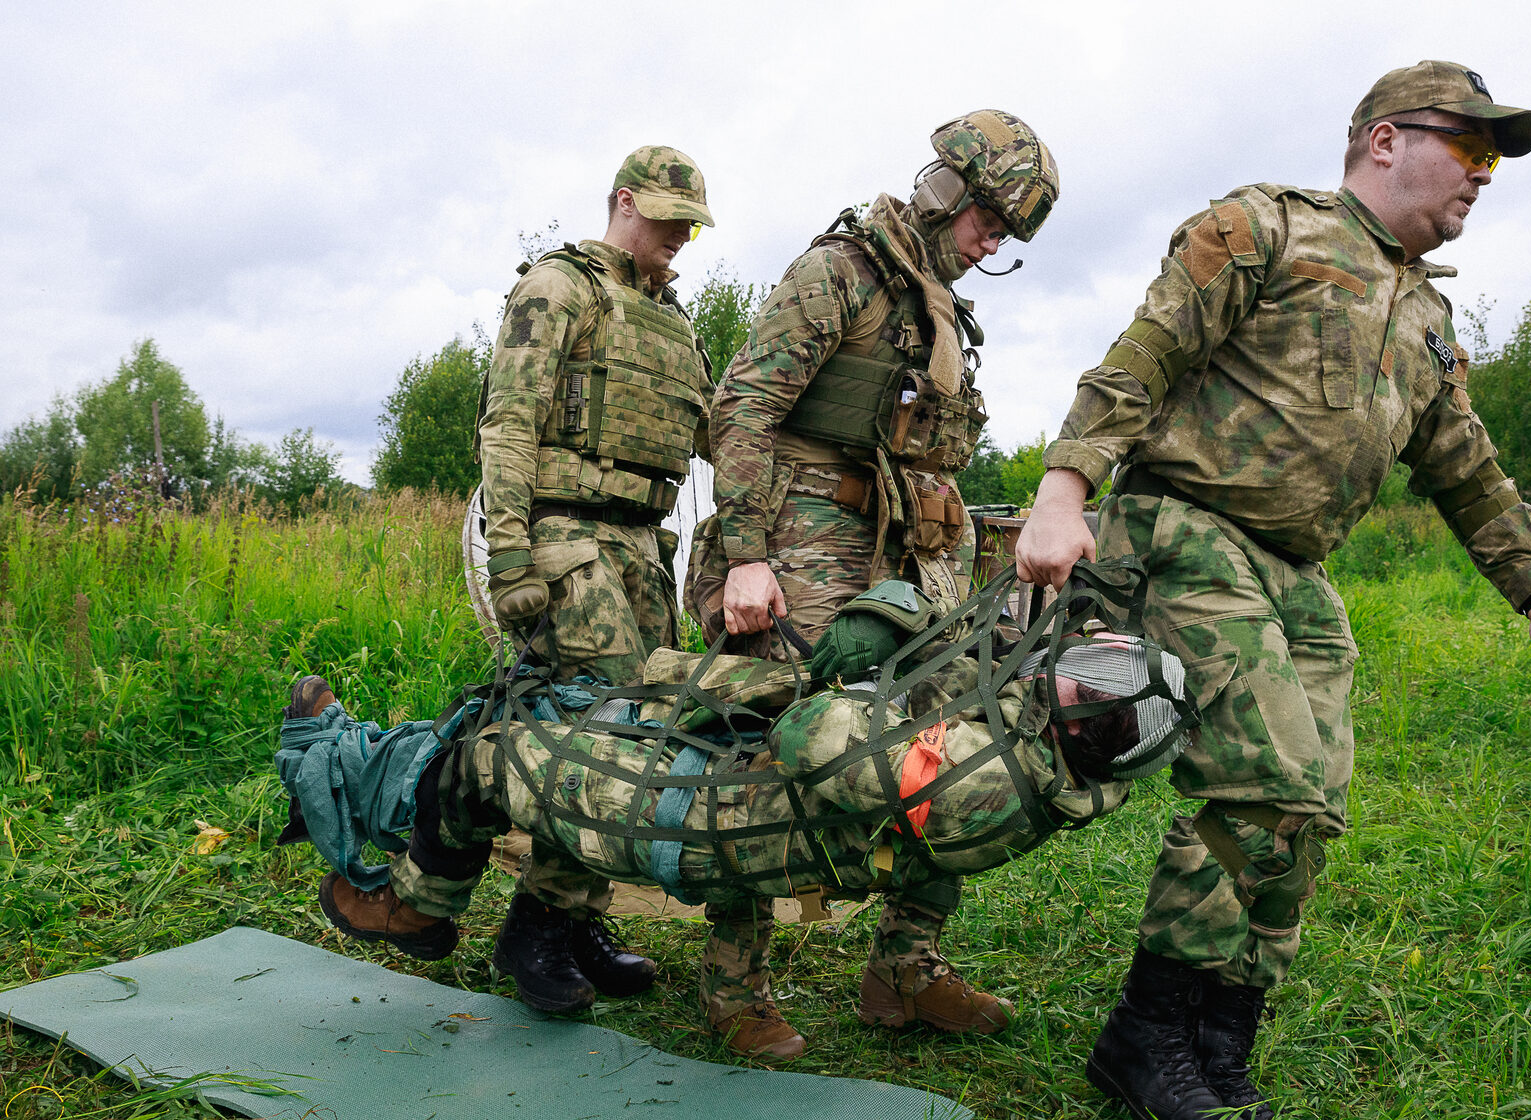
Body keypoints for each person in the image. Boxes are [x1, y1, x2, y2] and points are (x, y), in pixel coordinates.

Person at [1012, 61, 1531, 1120]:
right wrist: (1064, 487)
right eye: (1468, 147)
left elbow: (1466, 464)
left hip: (1298, 573)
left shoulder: (1423, 316)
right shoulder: (1264, 227)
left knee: (1309, 804)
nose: (1483, 175)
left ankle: (1220, 1037)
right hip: (1189, 528)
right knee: (1265, 783)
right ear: (1382, 140)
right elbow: (1143, 356)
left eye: (1493, 159)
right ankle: (1145, 1037)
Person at [281, 565, 1194, 1062]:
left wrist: (858, 674)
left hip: (710, 820)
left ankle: (410, 901)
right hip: (753, 803)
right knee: (569, 709)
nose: (1062, 663)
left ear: (1088, 715)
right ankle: (892, 980)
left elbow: (809, 735)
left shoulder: (972, 777)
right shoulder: (1050, 772)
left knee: (488, 749)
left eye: (1084, 673)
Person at [683, 110, 1059, 1056]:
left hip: (896, 563)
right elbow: (743, 410)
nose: (992, 243)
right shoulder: (840, 272)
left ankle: (904, 970)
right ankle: (736, 985)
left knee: (944, 742)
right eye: (987, 220)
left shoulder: (932, 301)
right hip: (797, 551)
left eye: (1008, 232)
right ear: (943, 191)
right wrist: (746, 556)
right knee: (762, 748)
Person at [338, 145, 715, 1022]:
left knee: (643, 728)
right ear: (622, 201)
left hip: (640, 545)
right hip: (566, 537)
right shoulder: (558, 286)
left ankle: (573, 919)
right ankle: (536, 929)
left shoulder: (671, 319)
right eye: (664, 217)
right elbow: (509, 423)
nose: (678, 237)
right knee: (593, 733)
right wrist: (508, 553)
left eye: (689, 224)